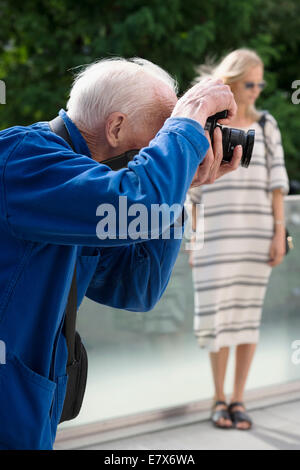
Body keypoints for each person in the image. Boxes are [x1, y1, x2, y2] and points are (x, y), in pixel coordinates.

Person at [0, 57, 242, 449]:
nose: (168, 143)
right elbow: (137, 207)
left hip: (26, 419)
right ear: (115, 128)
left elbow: (136, 287)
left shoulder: (80, 191)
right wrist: (191, 114)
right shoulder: (22, 159)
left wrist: (179, 189)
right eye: (164, 130)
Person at [187, 49, 289, 430]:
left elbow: (277, 183)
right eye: (250, 83)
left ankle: (238, 399)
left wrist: (280, 233)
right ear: (231, 82)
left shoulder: (267, 125)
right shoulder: (207, 125)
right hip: (214, 239)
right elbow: (192, 191)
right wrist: (192, 241)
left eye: (260, 83)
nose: (256, 91)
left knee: (248, 317)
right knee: (217, 319)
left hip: (256, 238)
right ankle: (218, 398)